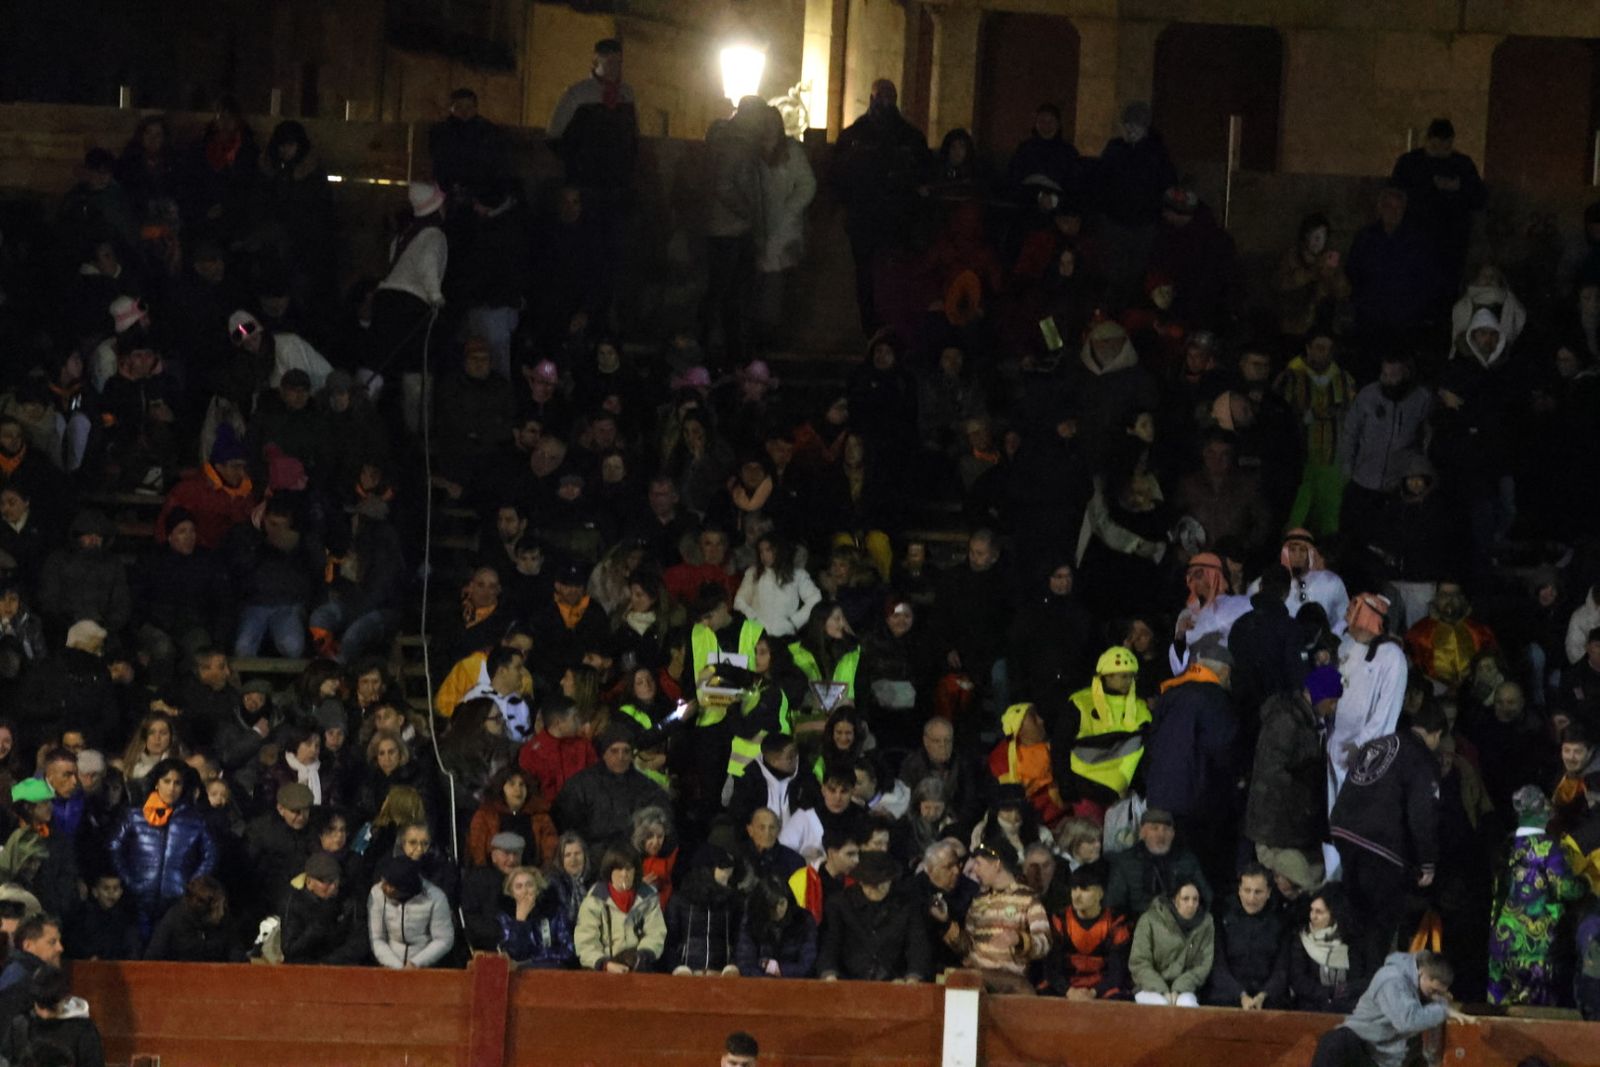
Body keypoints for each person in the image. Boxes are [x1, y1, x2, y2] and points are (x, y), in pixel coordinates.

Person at [1329, 702, 1446, 965]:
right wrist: (1427, 861)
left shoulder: (1377, 744)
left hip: (1345, 832)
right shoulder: (1421, 758)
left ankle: (1350, 979)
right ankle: (1370, 984)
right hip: (1381, 847)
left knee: (1354, 915)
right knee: (1379, 922)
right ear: (1436, 734)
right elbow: (1422, 813)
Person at [830, 80, 931, 330]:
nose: (885, 103)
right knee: (867, 277)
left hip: (896, 220)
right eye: (881, 97)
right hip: (866, 218)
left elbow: (922, 175)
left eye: (889, 97)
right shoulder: (855, 136)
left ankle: (890, 331)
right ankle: (872, 332)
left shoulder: (909, 137)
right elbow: (839, 176)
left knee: (894, 276)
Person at [1486, 786, 1586, 1006]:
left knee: (1501, 1008)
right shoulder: (1549, 849)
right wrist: (1585, 884)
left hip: (1502, 940)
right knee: (1537, 1011)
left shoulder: (1504, 846)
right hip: (1537, 945)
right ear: (1545, 813)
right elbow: (1565, 889)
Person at [1247, 665, 1343, 891]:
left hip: (1289, 823)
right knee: (1289, 884)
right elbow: (1272, 771)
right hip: (1275, 826)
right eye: (1332, 700)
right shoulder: (1285, 721)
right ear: (1319, 694)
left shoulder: (1308, 721)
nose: (1334, 707)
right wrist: (1305, 795)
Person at [1309, 950, 1474, 1067]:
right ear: (1422, 973)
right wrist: (1442, 1010)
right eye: (1433, 991)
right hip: (1358, 1045)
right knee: (1334, 1042)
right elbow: (1408, 1021)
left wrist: (1440, 1002)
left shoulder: (1418, 986)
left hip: (1381, 1055)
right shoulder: (1393, 980)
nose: (1435, 996)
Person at [1390, 118, 1486, 289]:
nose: (1441, 153)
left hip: (1451, 243)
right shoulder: (1410, 163)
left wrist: (1458, 188)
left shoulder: (1462, 165)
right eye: (1435, 147)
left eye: (1446, 147)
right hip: (1416, 239)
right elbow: (1394, 194)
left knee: (1445, 290)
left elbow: (1479, 199)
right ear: (1428, 141)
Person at [943, 844, 1051, 994]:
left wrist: (1019, 940)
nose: (974, 869)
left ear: (997, 864)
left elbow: (1044, 943)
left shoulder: (1028, 899)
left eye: (979, 863)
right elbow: (966, 946)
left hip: (1010, 982)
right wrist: (946, 923)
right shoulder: (979, 900)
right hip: (977, 979)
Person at [816, 849, 930, 982]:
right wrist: (829, 974)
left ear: (890, 881)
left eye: (880, 886)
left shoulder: (907, 905)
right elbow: (830, 944)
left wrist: (913, 977)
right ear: (860, 882)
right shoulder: (840, 904)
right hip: (849, 983)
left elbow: (917, 945)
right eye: (869, 886)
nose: (874, 891)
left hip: (894, 983)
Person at [1204, 865, 1288, 1009]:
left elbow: (1282, 969)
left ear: (1268, 893)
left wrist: (1263, 995)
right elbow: (1218, 965)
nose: (1251, 898)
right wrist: (1241, 995)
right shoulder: (1222, 916)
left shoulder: (1280, 921)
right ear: (1239, 890)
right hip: (1226, 997)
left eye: (1258, 892)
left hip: (1268, 1000)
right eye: (1247, 890)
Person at [1047, 860, 1131, 1000]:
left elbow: (1117, 971)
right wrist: (1069, 991)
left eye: (1085, 889)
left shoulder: (1116, 922)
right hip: (1067, 988)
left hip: (1102, 989)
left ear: (1100, 893)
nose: (1077, 895)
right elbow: (1051, 967)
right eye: (1074, 889)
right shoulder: (1059, 920)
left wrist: (1093, 992)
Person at [575, 844, 666, 973]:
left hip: (640, 966)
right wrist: (604, 964)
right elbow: (585, 942)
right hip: (603, 970)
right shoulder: (593, 901)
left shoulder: (648, 898)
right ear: (609, 871)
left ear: (636, 870)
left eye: (629, 868)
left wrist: (643, 955)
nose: (624, 874)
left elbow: (656, 933)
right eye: (619, 869)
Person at [1106, 809, 1210, 918]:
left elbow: (1205, 897)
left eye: (1166, 829)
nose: (1161, 835)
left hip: (1180, 925)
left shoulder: (1186, 859)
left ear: (1173, 834)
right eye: (1154, 828)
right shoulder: (1125, 861)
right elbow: (1114, 904)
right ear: (1143, 832)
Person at [1128, 879, 1213, 1007]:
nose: (1191, 904)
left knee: (1187, 1005)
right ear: (1174, 900)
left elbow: (1203, 965)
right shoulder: (1149, 920)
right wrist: (1162, 990)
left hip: (1185, 989)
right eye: (1185, 899)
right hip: (1149, 987)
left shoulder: (1205, 924)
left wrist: (1179, 988)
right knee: (1160, 1005)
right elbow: (1139, 962)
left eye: (1195, 899)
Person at [0, 966, 105, 1067]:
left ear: (66, 998)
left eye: (52, 1008)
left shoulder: (83, 1030)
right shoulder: (21, 1025)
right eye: (41, 1006)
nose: (45, 1015)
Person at [1287, 884, 1367, 1013]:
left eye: (1319, 912)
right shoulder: (1302, 940)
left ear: (1334, 914)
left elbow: (1364, 979)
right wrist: (1329, 993)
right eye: (1312, 910)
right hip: (1311, 1008)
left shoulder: (1353, 942)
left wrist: (1343, 992)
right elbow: (1298, 980)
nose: (1313, 916)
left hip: (1348, 1007)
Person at [280, 850, 368, 965]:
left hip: (338, 966)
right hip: (304, 967)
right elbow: (290, 948)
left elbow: (359, 942)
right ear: (309, 882)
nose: (333, 887)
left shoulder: (348, 901)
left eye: (336, 881)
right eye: (327, 882)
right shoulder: (295, 902)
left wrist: (328, 962)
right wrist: (318, 927)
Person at [368, 855, 454, 969]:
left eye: (389, 885)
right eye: (383, 881)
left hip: (425, 967)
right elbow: (377, 938)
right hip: (389, 966)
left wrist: (415, 963)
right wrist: (396, 967)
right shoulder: (376, 893)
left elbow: (444, 939)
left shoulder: (436, 898)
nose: (383, 887)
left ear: (404, 888)